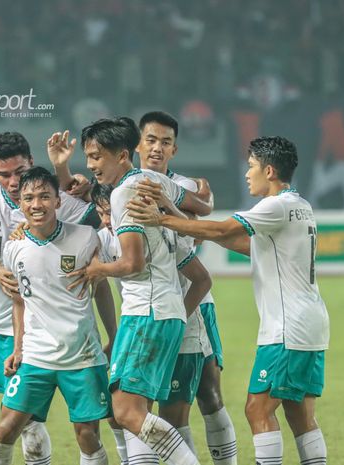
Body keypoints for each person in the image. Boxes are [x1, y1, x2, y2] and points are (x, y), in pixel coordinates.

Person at [127, 136, 330, 465]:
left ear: (269, 170)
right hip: (311, 324)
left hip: (287, 329)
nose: (247, 174)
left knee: (257, 408)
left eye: (251, 167)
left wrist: (161, 218)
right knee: (300, 412)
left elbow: (222, 229)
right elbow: (243, 244)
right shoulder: (299, 206)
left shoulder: (274, 206)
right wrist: (179, 216)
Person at [0, 132, 105, 464]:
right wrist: (0, 273)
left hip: (29, 327)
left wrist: (71, 178)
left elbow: (104, 219)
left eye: (19, 171)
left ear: (32, 163)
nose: (13, 182)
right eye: (4, 174)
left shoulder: (55, 203)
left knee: (26, 420)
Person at [69, 116, 211, 465]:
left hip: (145, 311)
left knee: (126, 411)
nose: (90, 165)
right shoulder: (151, 181)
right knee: (133, 411)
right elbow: (201, 208)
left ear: (121, 154)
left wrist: (97, 269)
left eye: (96, 156)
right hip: (165, 311)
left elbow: (132, 263)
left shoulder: (123, 194)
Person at [0, 167, 115, 465]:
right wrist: (18, 347)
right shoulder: (14, 247)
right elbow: (19, 301)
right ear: (21, 203)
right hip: (35, 357)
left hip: (82, 357)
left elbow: (101, 289)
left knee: (87, 435)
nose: (36, 204)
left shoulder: (85, 237)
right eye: (28, 198)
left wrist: (113, 336)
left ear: (57, 201)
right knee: (6, 428)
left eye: (44, 196)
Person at [135, 111, 238, 464]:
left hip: (192, 299)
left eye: (165, 142)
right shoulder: (126, 185)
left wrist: (169, 203)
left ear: (174, 149)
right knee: (159, 406)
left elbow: (202, 214)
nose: (157, 148)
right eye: (150, 140)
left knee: (208, 393)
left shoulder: (187, 186)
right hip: (152, 309)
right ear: (137, 145)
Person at [90, 180, 214, 464]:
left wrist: (180, 315)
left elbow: (202, 278)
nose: (108, 220)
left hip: (156, 324)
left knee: (138, 413)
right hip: (141, 326)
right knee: (129, 412)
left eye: (112, 211)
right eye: (101, 213)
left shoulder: (155, 232)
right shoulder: (103, 239)